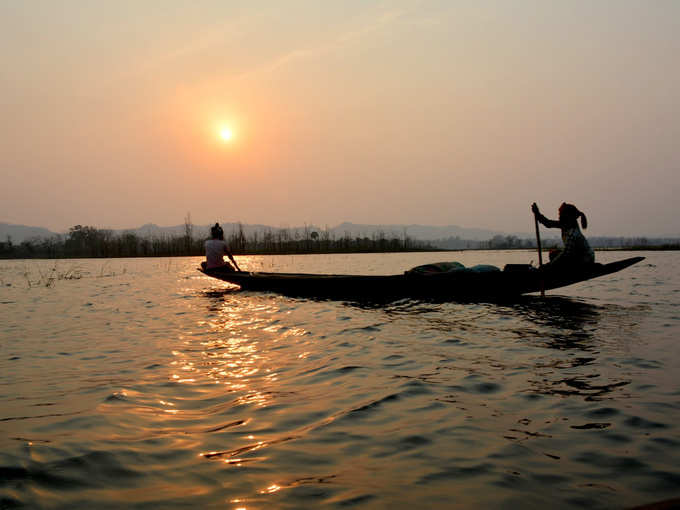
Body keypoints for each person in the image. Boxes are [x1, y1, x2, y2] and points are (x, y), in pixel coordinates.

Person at [532, 202, 594, 269]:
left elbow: (566, 254)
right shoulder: (566, 224)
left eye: (561, 215)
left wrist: (549, 265)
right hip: (577, 256)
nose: (559, 217)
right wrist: (537, 213)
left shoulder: (572, 233)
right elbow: (548, 223)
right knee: (553, 254)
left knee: (558, 257)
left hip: (585, 260)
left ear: (567, 217)